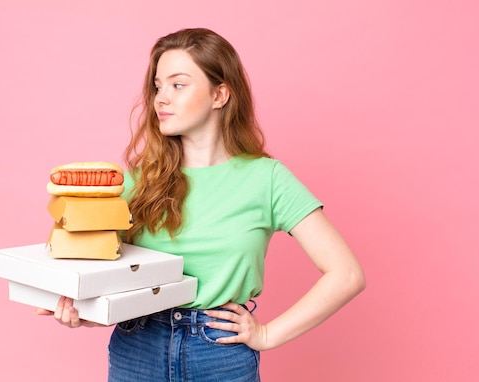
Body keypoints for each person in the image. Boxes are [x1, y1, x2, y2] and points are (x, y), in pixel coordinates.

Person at [36, 27, 366, 381]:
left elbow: (346, 274)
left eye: (178, 85)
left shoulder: (266, 179)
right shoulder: (136, 181)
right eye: (158, 86)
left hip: (219, 352)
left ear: (219, 94)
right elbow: (100, 264)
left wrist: (269, 334)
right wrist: (87, 308)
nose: (161, 98)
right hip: (137, 346)